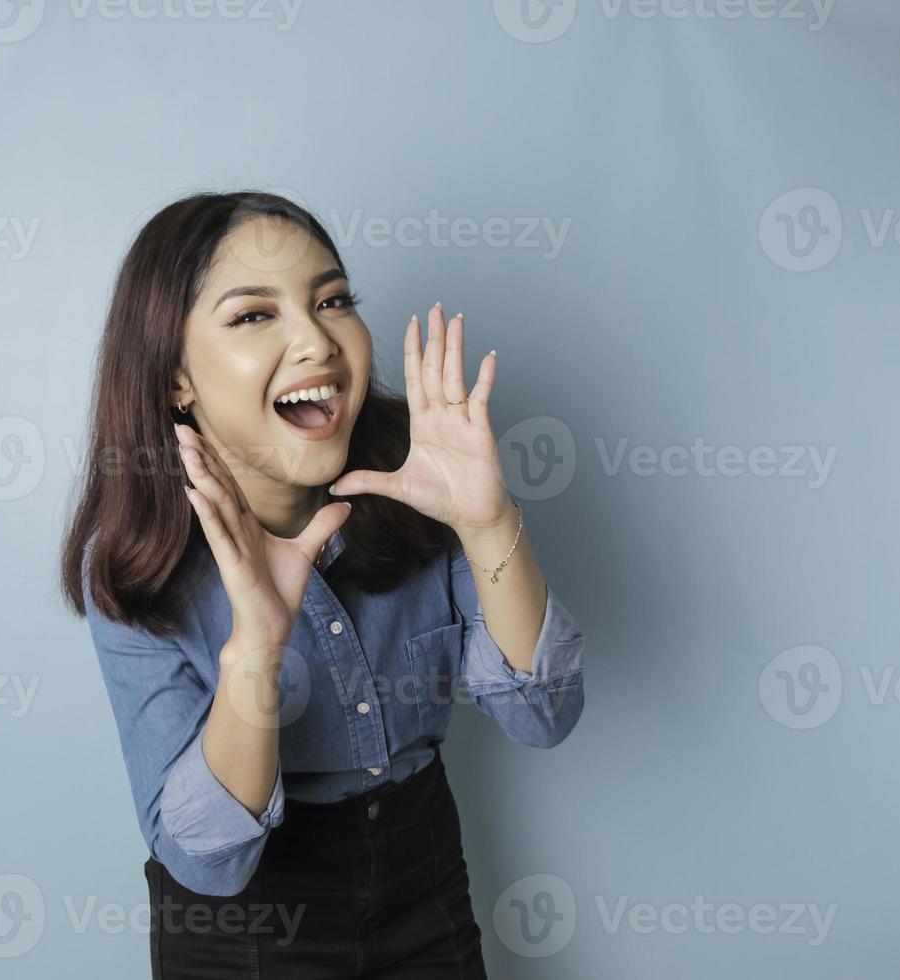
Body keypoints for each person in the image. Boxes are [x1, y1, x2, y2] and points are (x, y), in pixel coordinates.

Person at [59, 190, 587, 978]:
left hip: (423, 880)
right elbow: (208, 865)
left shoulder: (423, 477)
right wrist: (258, 647)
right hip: (245, 931)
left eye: (333, 300)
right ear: (177, 379)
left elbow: (544, 716)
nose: (316, 340)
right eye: (252, 316)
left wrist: (486, 524)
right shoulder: (138, 560)